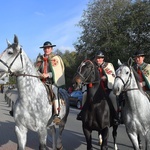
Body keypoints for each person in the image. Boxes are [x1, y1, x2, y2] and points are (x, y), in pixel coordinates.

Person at [77, 51, 120, 125]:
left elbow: (112, 75)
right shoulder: (91, 66)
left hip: (105, 89)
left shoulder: (108, 65)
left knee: (112, 96)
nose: (98, 60)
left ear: (103, 59)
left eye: (100, 58)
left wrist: (106, 77)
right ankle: (83, 113)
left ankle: (115, 116)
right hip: (93, 89)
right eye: (97, 58)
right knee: (84, 95)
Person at [36, 41, 66, 124]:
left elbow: (58, 72)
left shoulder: (55, 58)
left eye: (48, 48)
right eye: (45, 48)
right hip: (40, 82)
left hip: (51, 82)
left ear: (51, 49)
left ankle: (56, 114)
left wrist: (48, 75)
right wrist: (40, 74)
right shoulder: (39, 59)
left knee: (55, 92)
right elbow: (35, 70)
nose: (46, 49)